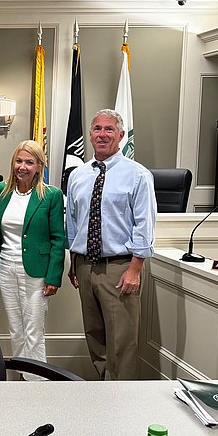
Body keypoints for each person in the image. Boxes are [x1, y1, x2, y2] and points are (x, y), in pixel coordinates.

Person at [66, 109, 156, 380]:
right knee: (95, 338)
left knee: (121, 343)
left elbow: (144, 225)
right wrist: (73, 262)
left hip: (119, 267)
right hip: (84, 266)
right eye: (97, 129)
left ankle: (121, 402)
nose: (102, 134)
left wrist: (135, 269)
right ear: (90, 135)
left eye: (108, 129)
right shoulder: (78, 176)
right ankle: (103, 394)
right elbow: (73, 221)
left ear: (120, 135)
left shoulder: (137, 175)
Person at [0, 141, 65, 376]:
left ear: (39, 166)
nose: (23, 167)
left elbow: (58, 239)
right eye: (19, 161)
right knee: (16, 329)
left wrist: (54, 277)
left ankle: (39, 382)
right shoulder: (1, 192)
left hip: (37, 271)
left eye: (29, 162)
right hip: (6, 267)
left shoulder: (51, 195)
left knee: (34, 330)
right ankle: (21, 379)